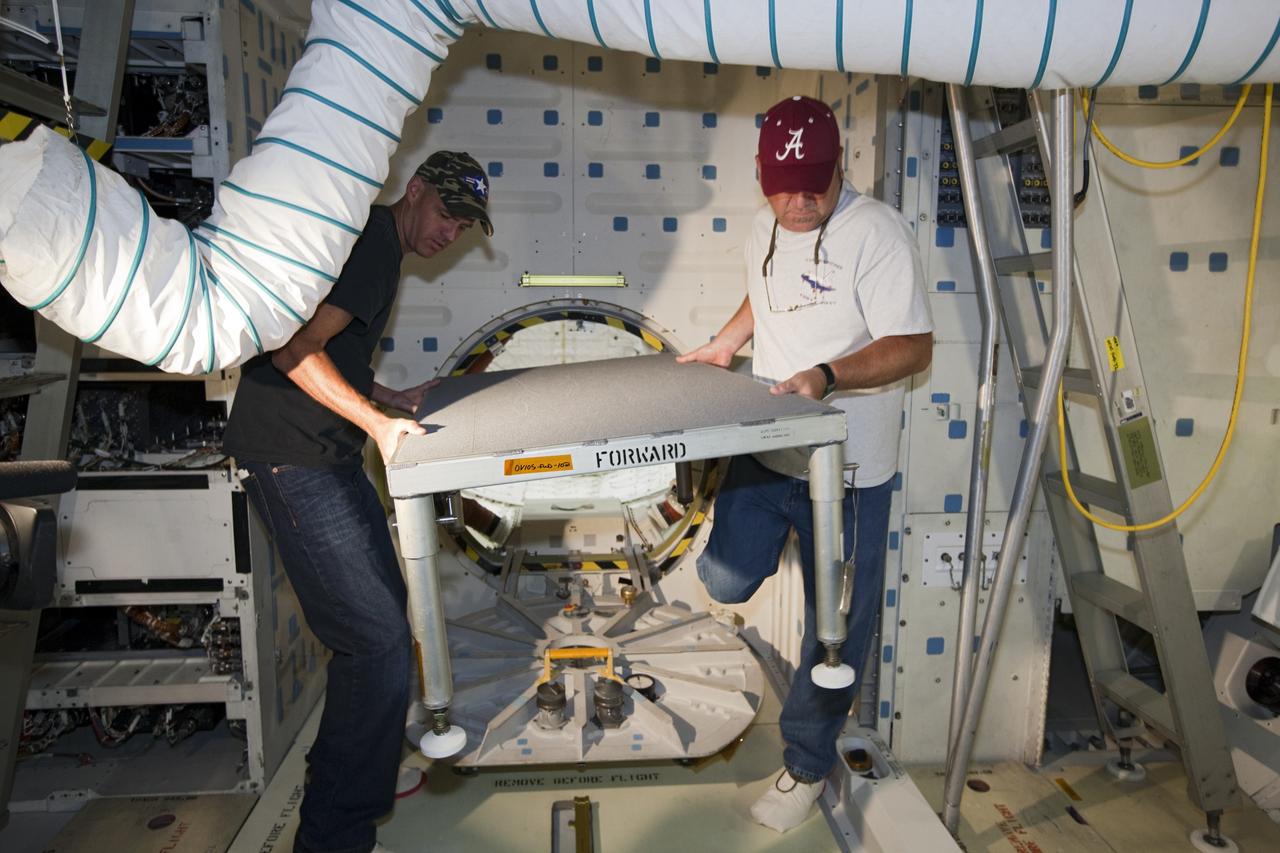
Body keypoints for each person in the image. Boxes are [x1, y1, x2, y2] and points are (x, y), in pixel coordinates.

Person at [222, 151, 493, 853]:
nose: (449, 233)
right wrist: (378, 424)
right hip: (293, 458)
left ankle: (345, 774)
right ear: (415, 191)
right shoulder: (374, 247)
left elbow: (331, 356)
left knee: (382, 630)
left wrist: (385, 397)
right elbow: (293, 352)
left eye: (462, 228)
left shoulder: (372, 242)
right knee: (372, 642)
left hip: (322, 453)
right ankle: (334, 835)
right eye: (445, 214)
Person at [677, 95, 933, 833]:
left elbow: (913, 345)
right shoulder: (769, 222)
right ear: (763, 176)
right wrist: (727, 342)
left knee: (835, 634)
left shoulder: (876, 233)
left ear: (839, 166)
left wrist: (827, 374)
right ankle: (735, 553)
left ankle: (805, 762)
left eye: (814, 185)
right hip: (768, 450)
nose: (798, 202)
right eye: (783, 185)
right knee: (724, 577)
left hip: (849, 476)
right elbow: (767, 292)